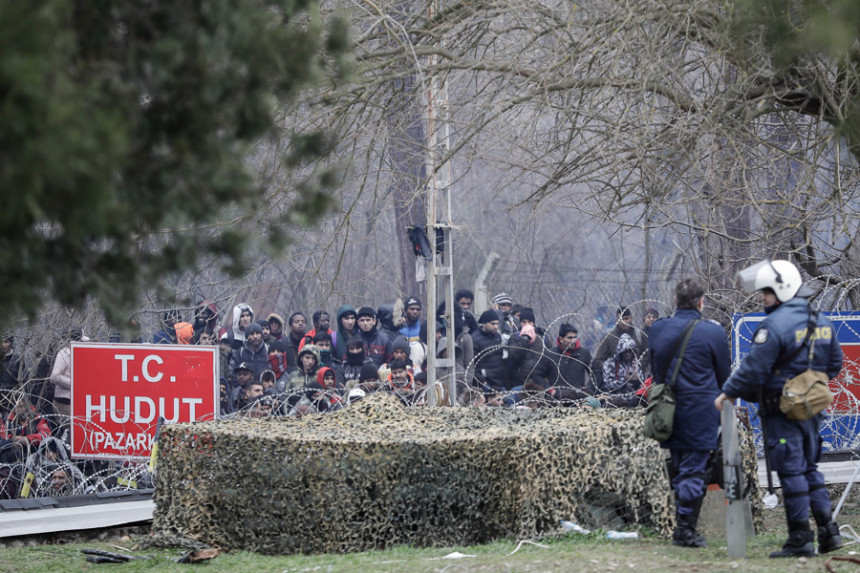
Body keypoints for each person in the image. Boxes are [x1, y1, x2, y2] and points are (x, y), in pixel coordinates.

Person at [715, 260, 844, 558]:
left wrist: (727, 393)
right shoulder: (820, 320)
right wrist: (809, 385)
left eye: (767, 293)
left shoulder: (773, 325)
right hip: (812, 410)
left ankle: (800, 539)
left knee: (792, 471)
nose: (763, 298)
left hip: (782, 412)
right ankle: (829, 533)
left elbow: (753, 370)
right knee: (811, 469)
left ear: (782, 290)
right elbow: (834, 364)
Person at [649, 278, 731, 548]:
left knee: (680, 466)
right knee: (694, 470)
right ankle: (685, 530)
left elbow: (657, 373)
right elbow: (723, 376)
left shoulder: (658, 329)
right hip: (701, 409)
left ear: (674, 300)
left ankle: (683, 526)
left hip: (668, 408)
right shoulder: (713, 333)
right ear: (701, 302)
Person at [531, 324, 594, 397]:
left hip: (579, 398)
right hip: (557, 399)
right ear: (561, 339)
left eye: (575, 337)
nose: (573, 340)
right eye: (570, 338)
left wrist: (588, 389)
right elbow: (537, 375)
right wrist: (551, 391)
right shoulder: (550, 354)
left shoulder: (584, 353)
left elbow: (595, 373)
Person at [591, 306, 643, 389]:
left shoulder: (639, 335)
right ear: (616, 319)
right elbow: (597, 360)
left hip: (636, 381)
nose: (624, 322)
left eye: (626, 319)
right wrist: (613, 369)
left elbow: (646, 356)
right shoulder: (609, 338)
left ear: (631, 318)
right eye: (621, 319)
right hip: (615, 383)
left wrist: (637, 371)